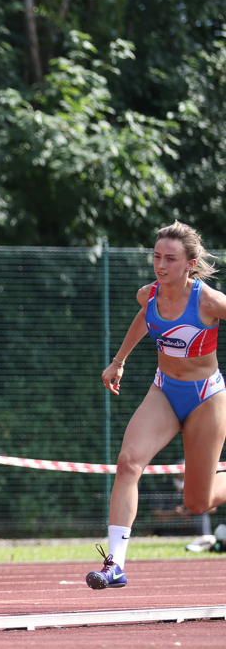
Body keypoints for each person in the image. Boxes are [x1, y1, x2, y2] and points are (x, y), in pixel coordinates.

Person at [91, 221, 226, 590]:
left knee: (198, 502)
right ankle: (115, 565)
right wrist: (119, 360)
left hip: (206, 398)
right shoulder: (147, 295)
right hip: (164, 391)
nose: (161, 265)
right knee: (128, 462)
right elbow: (144, 319)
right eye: (156, 257)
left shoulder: (209, 301)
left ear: (190, 264)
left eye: (170, 259)